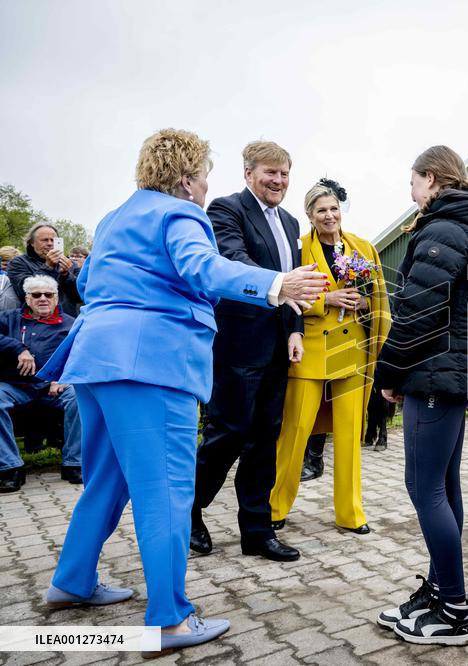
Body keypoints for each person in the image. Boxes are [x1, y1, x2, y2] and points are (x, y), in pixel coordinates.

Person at [39, 128, 326, 655]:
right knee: (167, 491)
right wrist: (275, 285)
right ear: (188, 178)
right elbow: (202, 266)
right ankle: (169, 619)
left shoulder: (114, 217)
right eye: (205, 175)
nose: (206, 185)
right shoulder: (181, 212)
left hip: (96, 361)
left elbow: (87, 287)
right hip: (151, 364)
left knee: (108, 479)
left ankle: (72, 580)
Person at [375, 145, 468, 646]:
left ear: (431, 179)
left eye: (412, 182)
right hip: (448, 373)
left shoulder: (445, 229)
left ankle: (454, 609)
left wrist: (388, 371)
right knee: (444, 487)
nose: (411, 193)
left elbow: (416, 309)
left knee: (424, 488)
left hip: (433, 373)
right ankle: (438, 589)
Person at [192, 140, 307, 563]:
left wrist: (295, 330)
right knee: (226, 436)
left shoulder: (293, 222)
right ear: (248, 174)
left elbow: (292, 283)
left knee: (265, 441)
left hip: (278, 346)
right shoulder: (226, 210)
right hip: (238, 345)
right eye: (269, 173)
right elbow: (234, 262)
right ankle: (189, 510)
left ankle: (257, 531)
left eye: (283, 173)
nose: (277, 181)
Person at [270, 178, 390, 534]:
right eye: (321, 210)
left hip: (350, 353)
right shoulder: (297, 249)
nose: (329, 215)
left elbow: (379, 299)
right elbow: (284, 296)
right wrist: (327, 300)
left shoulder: (363, 248)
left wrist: (363, 302)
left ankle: (350, 513)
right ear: (309, 214)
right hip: (307, 352)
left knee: (350, 435)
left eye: (334, 208)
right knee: (295, 432)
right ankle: (276, 506)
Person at [0, 275, 81, 491]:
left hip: (55, 386)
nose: (43, 298)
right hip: (18, 386)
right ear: (27, 298)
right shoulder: (10, 319)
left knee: (80, 398)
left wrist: (65, 377)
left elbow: (82, 355)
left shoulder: (71, 324)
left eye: (48, 294)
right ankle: (10, 468)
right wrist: (17, 348)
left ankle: (74, 463)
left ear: (56, 298)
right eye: (36, 295)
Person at [7, 224, 81, 316]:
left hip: (68, 320)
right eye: (44, 240)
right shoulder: (18, 262)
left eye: (53, 240)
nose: (50, 243)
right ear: (32, 242)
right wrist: (48, 267)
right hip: (35, 321)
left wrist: (66, 275)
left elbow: (80, 296)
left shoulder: (70, 264)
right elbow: (24, 291)